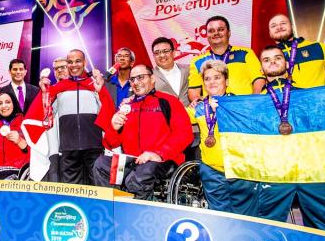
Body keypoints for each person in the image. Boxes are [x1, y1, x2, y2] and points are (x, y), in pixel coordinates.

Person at [267, 14, 325, 234]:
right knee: (307, 185)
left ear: (291, 26)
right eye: (273, 25)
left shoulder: (316, 48)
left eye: (282, 23)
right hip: (289, 132)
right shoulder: (270, 57)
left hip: (320, 124)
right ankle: (314, 237)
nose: (278, 28)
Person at [92, 64, 192, 199]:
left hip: (163, 161)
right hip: (133, 160)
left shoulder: (168, 101)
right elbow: (111, 143)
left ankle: (136, 216)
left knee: (137, 178)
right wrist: (114, 128)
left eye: (140, 77)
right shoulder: (127, 106)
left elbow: (184, 134)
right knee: (101, 165)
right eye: (132, 79)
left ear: (153, 78)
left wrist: (159, 154)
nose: (136, 82)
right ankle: (112, 210)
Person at [26, 49, 116, 184]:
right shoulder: (58, 88)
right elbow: (46, 114)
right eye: (70, 62)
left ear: (85, 62)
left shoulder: (95, 84)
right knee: (72, 193)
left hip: (94, 146)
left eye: (78, 61)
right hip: (68, 149)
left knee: (98, 189)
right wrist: (44, 93)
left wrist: (101, 91)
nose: (74, 65)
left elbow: (108, 111)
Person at [191, 60, 259, 216]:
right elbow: (176, 116)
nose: (212, 82)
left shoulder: (241, 105)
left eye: (217, 77)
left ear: (226, 81)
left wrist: (223, 110)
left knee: (247, 217)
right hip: (212, 171)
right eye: (207, 79)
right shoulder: (199, 108)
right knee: (220, 217)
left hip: (241, 170)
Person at [188, 16, 264, 102]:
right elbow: (194, 90)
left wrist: (254, 103)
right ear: (207, 35)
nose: (216, 33)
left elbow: (259, 80)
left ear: (229, 33)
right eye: (211, 31)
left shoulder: (245, 53)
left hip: (244, 110)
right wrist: (202, 106)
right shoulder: (197, 61)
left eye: (220, 29)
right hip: (214, 111)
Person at [150, 37, 198, 160]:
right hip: (168, 133)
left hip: (194, 128)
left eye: (165, 51)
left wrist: (199, 100)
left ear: (174, 52)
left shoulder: (189, 69)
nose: (162, 55)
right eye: (157, 53)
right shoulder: (149, 77)